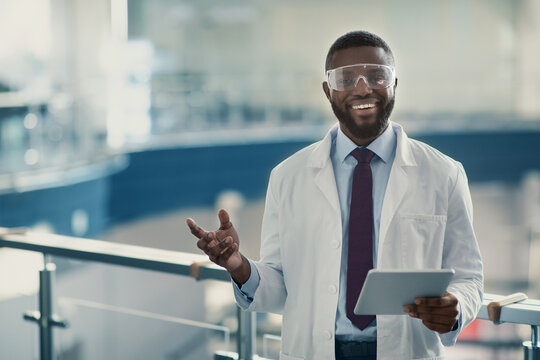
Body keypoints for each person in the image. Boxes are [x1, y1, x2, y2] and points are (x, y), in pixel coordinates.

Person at [187, 30, 483, 360]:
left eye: (376, 75)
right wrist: (237, 265)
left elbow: (469, 277)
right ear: (328, 91)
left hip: (408, 350)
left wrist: (456, 308)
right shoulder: (288, 177)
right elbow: (280, 288)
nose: (362, 87)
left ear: (395, 84)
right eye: (346, 78)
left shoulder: (443, 173)